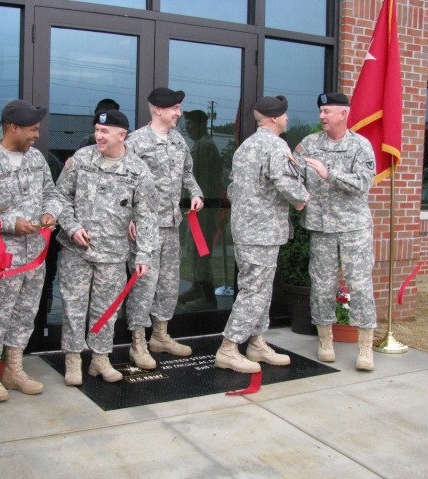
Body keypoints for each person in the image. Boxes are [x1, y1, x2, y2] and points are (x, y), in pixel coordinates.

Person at [56, 110, 158, 386]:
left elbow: (147, 216)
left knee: (107, 310)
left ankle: (100, 359)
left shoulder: (138, 170)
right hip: (77, 250)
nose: (98, 136)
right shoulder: (81, 159)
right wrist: (72, 226)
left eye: (105, 132)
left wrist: (145, 253)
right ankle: (73, 359)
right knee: (73, 307)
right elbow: (59, 197)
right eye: (97, 130)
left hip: (113, 254)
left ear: (122, 135)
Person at [0, 100, 62, 402]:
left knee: (25, 312)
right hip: (2, 256)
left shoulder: (36, 159)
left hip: (35, 254)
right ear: (13, 127)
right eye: (33, 129)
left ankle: (14, 367)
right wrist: (12, 223)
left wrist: (50, 213)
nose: (36, 135)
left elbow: (52, 193)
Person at [215, 95, 309, 373]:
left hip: (247, 229)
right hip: (262, 231)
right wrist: (303, 198)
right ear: (273, 118)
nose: (288, 119)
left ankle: (257, 342)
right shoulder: (275, 146)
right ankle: (229, 348)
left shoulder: (245, 146)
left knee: (259, 288)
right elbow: (288, 185)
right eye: (284, 114)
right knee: (255, 290)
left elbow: (232, 188)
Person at [294, 92, 377, 371]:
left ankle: (365, 346)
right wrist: (296, 195)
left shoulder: (360, 145)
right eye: (320, 111)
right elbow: (290, 170)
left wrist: (330, 174)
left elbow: (363, 184)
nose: (321, 116)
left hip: (354, 228)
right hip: (321, 227)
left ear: (343, 114)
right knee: (322, 285)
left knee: (360, 285)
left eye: (327, 111)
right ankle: (325, 340)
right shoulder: (308, 144)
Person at [125, 88, 204, 370]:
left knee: (169, 284)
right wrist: (129, 217)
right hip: (145, 229)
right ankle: (138, 342)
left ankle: (160, 336)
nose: (179, 114)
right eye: (175, 109)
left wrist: (195, 193)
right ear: (159, 110)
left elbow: (186, 173)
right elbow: (125, 184)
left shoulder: (178, 140)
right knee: (144, 286)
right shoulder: (135, 142)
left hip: (171, 226)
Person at [179, 109, 223, 310]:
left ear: (201, 125)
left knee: (200, 251)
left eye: (191, 123)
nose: (187, 126)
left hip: (202, 212)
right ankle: (198, 287)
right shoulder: (199, 145)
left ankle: (207, 295)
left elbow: (202, 181)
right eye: (186, 123)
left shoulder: (205, 147)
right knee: (194, 250)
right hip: (196, 211)